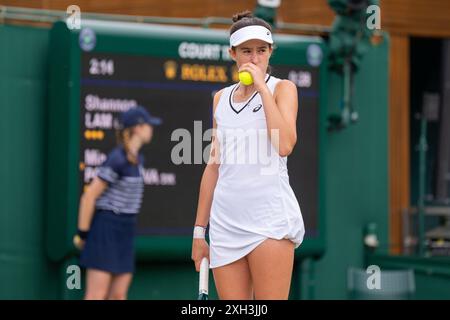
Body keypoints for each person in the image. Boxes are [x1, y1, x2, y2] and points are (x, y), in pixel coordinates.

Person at [191, 10, 305, 300]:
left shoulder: (283, 89)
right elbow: (213, 167)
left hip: (269, 222)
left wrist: (262, 90)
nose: (254, 58)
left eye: (261, 51)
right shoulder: (220, 99)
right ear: (232, 54)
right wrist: (198, 233)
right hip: (225, 224)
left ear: (270, 52)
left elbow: (285, 145)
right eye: (246, 51)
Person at [73, 106, 162, 300]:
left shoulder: (138, 159)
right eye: (148, 125)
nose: (151, 129)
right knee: (96, 296)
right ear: (137, 128)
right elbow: (89, 197)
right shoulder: (117, 159)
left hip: (126, 230)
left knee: (118, 296)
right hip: (106, 230)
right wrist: (83, 234)